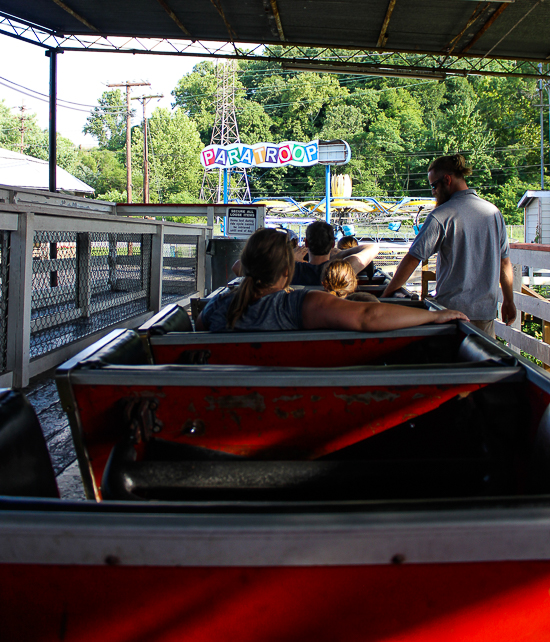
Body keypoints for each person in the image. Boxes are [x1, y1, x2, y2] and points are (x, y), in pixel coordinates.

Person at [197, 227, 468, 333]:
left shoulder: (217, 306)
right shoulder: (298, 305)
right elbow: (367, 317)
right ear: (286, 271)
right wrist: (433, 316)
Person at [381, 154, 516, 337]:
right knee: (482, 364)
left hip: (451, 315)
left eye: (434, 186)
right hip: (485, 314)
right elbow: (504, 262)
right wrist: (509, 300)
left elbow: (412, 259)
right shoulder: (493, 213)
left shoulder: (441, 215)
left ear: (447, 180)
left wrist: (386, 295)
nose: (433, 192)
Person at [291, 221, 379, 286]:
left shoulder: (290, 270)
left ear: (306, 243)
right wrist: (340, 254)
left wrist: (291, 258)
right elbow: (373, 247)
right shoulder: (340, 271)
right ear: (333, 244)